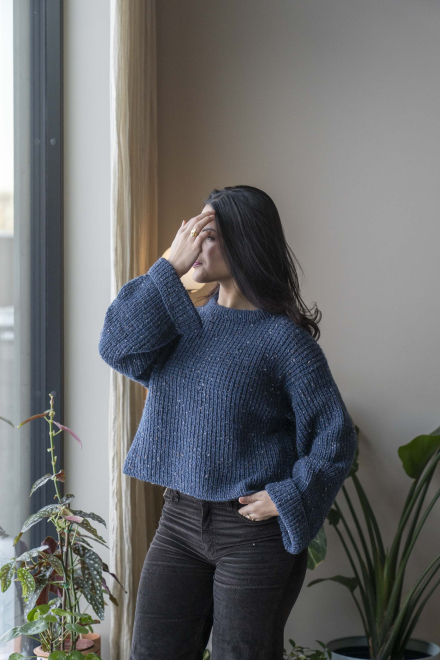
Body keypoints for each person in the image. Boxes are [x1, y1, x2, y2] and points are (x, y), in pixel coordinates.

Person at [98, 185, 358, 660]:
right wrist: (168, 265)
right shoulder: (184, 322)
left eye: (210, 234)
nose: (195, 243)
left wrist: (290, 495)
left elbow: (335, 437)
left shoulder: (284, 341)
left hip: (250, 535)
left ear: (244, 243)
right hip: (178, 522)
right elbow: (115, 344)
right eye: (194, 231)